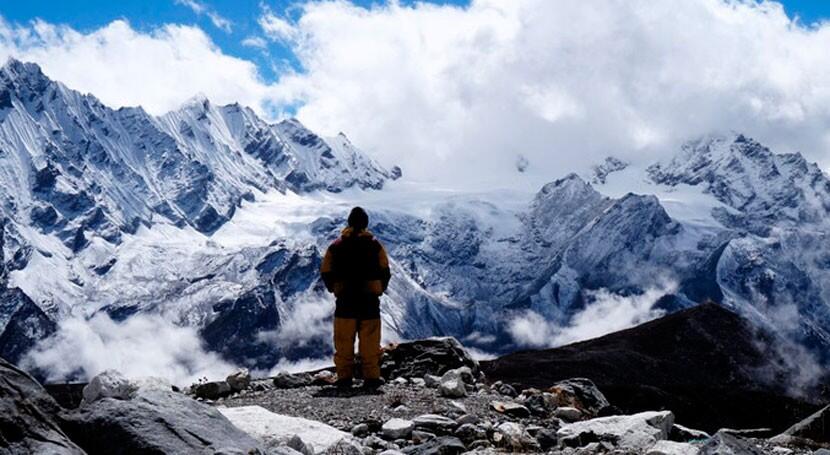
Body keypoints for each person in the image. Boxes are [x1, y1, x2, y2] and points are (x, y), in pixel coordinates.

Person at [320, 207, 391, 390]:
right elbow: (385, 270)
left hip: (345, 300)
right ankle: (371, 378)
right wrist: (379, 288)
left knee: (344, 340)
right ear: (366, 224)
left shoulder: (336, 245)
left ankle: (344, 378)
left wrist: (334, 288)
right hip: (369, 300)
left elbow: (326, 270)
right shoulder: (375, 245)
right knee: (370, 341)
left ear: (349, 223)